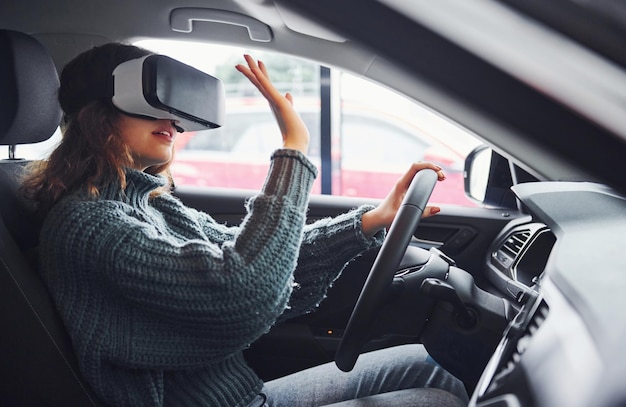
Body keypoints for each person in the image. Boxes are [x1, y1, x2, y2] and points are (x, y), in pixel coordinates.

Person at [21, 43, 468, 407]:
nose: (172, 122)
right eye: (152, 103)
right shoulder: (87, 225)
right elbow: (244, 291)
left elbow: (264, 261)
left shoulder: (152, 206)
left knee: (436, 366)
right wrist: (293, 149)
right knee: (437, 401)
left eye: (174, 109)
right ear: (98, 114)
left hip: (245, 396)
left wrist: (371, 221)